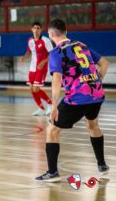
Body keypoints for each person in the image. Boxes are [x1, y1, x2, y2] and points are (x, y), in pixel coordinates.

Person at [35, 18, 109, 182]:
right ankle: (102, 164)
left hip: (78, 98)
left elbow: (57, 79)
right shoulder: (81, 45)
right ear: (66, 31)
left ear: (51, 34)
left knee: (52, 129)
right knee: (93, 124)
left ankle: (52, 172)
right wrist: (97, 82)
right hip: (96, 95)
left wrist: (54, 104)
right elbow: (104, 62)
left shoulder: (56, 52)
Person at [19, 22, 54, 116]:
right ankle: (41, 108)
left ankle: (50, 104)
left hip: (41, 68)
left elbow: (52, 53)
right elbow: (29, 51)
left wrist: (43, 62)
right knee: (31, 89)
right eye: (34, 28)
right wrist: (24, 57)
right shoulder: (30, 40)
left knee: (36, 88)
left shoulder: (45, 40)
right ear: (32, 29)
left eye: (38, 28)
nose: (36, 29)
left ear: (41, 30)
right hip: (32, 68)